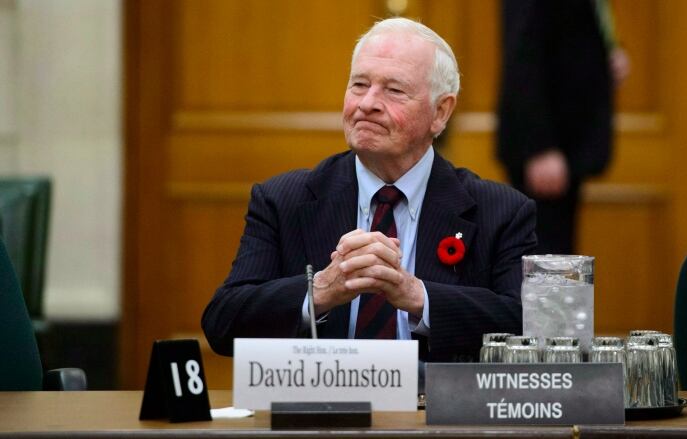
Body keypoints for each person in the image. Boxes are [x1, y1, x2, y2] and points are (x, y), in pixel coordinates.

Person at [202, 17, 537, 362]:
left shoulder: (500, 211)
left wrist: (418, 296)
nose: (367, 104)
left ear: (440, 112)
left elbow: (529, 327)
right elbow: (223, 322)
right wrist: (319, 291)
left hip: (436, 411)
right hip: (322, 410)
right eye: (359, 85)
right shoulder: (283, 200)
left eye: (393, 90)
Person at [497, 0, 629, 255]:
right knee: (545, 268)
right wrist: (539, 146)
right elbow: (522, 51)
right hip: (546, 149)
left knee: (560, 260)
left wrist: (607, 54)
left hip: (570, 142)